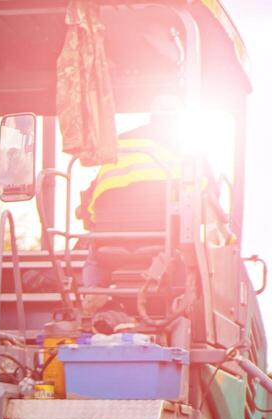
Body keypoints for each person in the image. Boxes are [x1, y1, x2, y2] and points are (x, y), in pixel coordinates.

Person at [76, 95, 191, 319]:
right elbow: (199, 207)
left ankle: (93, 295)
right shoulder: (187, 153)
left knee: (93, 255)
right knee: (190, 253)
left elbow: (90, 210)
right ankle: (177, 308)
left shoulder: (119, 145)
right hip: (162, 246)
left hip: (109, 246)